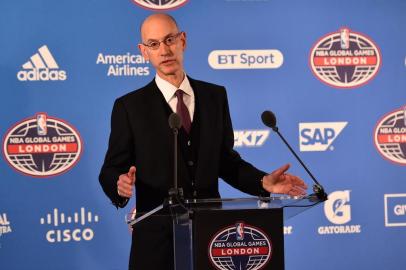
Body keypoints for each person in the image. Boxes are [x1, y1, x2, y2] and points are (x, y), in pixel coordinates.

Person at [99, 13, 307, 270]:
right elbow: (110, 170)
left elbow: (225, 161)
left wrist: (263, 182)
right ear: (144, 52)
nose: (164, 50)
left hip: (211, 238)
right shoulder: (129, 107)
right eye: (154, 44)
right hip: (155, 245)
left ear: (182, 41)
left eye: (169, 40)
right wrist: (119, 185)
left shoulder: (214, 96)